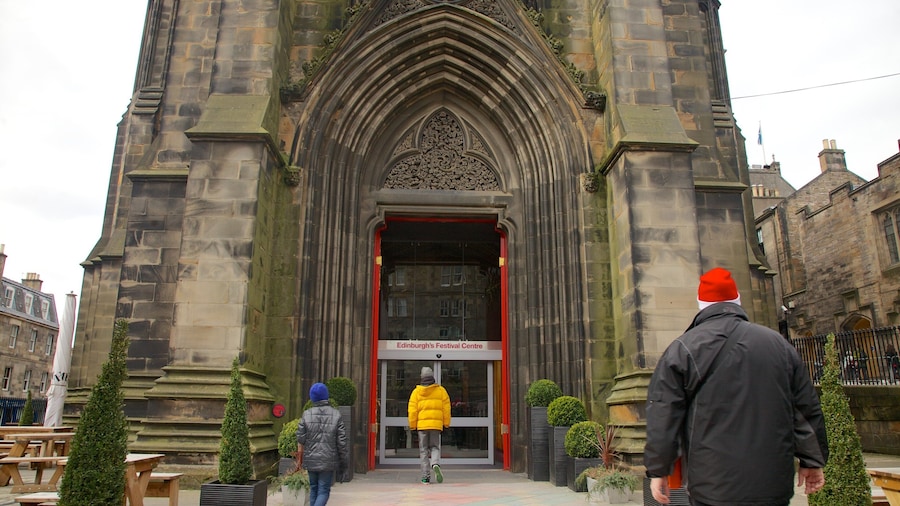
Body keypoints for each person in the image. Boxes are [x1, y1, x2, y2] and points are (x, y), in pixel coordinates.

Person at [644, 267, 828, 506]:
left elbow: (663, 414)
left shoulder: (682, 349)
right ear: (737, 300)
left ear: (701, 304)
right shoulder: (777, 344)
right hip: (772, 482)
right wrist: (812, 461)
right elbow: (804, 409)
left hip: (713, 484)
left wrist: (659, 470)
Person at [296, 383, 349, 506]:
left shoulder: (307, 414)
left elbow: (300, 437)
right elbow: (342, 442)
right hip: (327, 459)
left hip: (311, 459)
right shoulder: (336, 415)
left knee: (314, 488)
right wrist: (343, 465)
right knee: (323, 490)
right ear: (326, 396)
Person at [408, 366, 451, 485]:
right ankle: (435, 463)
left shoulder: (416, 392)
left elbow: (412, 411)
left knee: (423, 451)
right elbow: (446, 409)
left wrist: (412, 426)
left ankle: (425, 477)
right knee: (435, 447)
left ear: (422, 377)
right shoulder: (441, 390)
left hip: (422, 426)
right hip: (436, 426)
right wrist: (446, 424)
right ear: (432, 377)